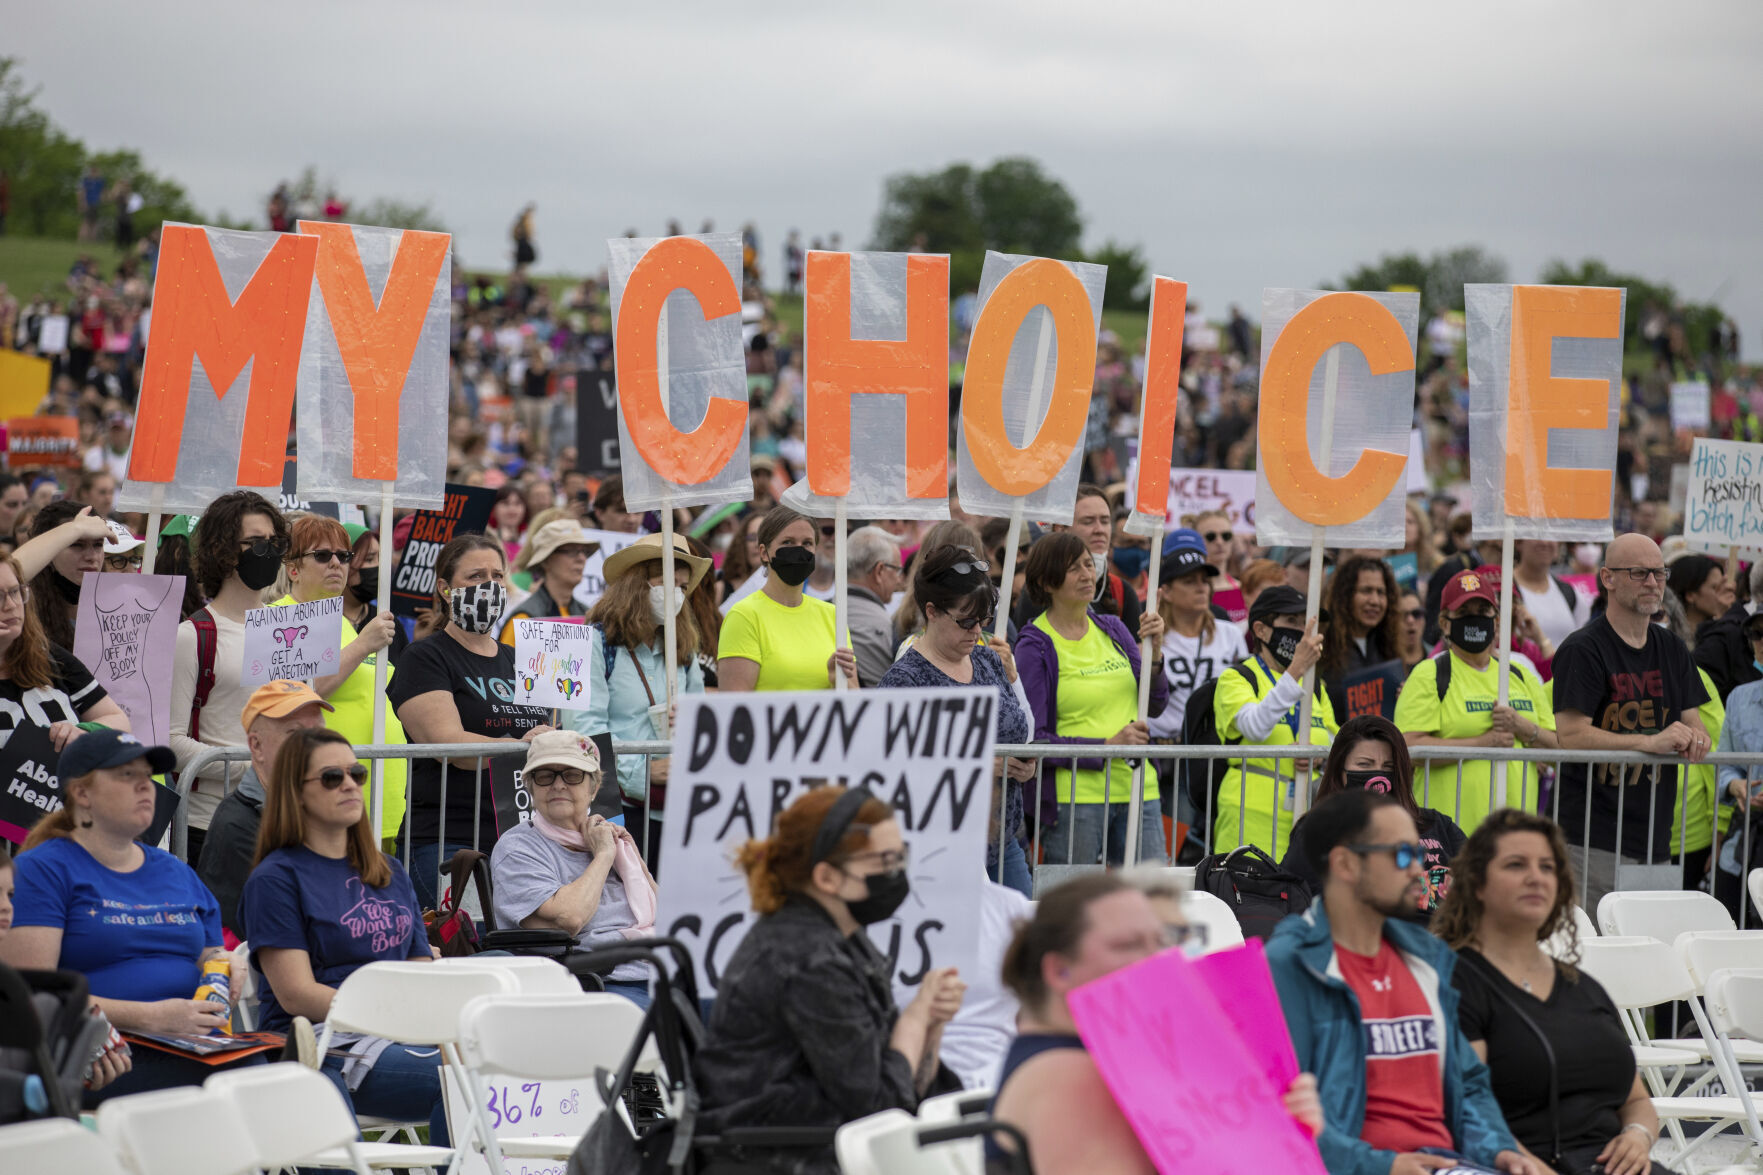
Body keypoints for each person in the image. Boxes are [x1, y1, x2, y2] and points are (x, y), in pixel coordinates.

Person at [1267, 789, 1542, 1175]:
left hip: (1451, 1166)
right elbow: (1279, 1115)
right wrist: (1385, 1166)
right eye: (1401, 855)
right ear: (1346, 864)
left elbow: (1469, 1083)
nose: (1419, 869)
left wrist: (1499, 1151)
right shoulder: (1291, 965)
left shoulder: (1426, 958)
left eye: (1418, 854)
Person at [693, 786, 964, 1175]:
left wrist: (932, 1023)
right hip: (774, 1160)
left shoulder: (839, 938)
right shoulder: (807, 959)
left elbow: (904, 1088)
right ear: (826, 877)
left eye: (900, 856)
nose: (896, 873)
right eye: (884, 861)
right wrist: (916, 1020)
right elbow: (881, 1110)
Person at [990, 872, 1323, 1173]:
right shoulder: (1070, 1075)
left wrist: (1275, 1127)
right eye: (1129, 945)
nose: (1159, 958)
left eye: (1162, 942)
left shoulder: (1100, 1059)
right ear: (1058, 971)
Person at [1, 730, 252, 1103]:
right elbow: (33, 994)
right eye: (126, 776)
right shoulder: (42, 870)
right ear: (82, 794)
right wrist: (152, 1017)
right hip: (105, 1054)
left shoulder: (174, 870)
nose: (145, 787)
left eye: (147, 776)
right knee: (250, 1084)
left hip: (199, 1044)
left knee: (278, 1079)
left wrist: (227, 964)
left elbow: (210, 955)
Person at [1433, 809, 1674, 1175]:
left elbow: (1637, 1101)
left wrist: (1638, 1137)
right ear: (1477, 884)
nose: (1535, 877)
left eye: (1547, 867)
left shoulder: (1584, 988)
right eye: (1516, 865)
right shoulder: (1457, 982)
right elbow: (1467, 1112)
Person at [239, 728, 448, 1142]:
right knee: (458, 1083)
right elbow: (296, 994)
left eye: (356, 773)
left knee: (490, 1075)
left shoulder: (387, 868)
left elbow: (419, 964)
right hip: (318, 1042)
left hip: (397, 1031)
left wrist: (411, 1015)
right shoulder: (276, 878)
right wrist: (388, 1012)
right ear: (295, 793)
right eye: (332, 777)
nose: (350, 784)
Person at [387, 534, 553, 911]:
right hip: (449, 840)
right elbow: (449, 746)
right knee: (470, 944)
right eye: (475, 576)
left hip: (522, 836)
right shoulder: (424, 658)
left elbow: (547, 730)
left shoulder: (522, 658)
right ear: (445, 589)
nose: (489, 587)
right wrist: (527, 747)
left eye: (497, 575)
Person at [1553, 534, 1710, 911]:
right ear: (1607, 578)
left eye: (1659, 573)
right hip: (1592, 837)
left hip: (1656, 837)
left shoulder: (1671, 647)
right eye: (1639, 573)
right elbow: (1570, 735)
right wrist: (1647, 741)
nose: (1653, 583)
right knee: (1592, 952)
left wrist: (1695, 740)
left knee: (1648, 947)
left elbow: (1695, 722)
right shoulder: (1583, 648)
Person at [877, 545, 1035, 895]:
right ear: (931, 611)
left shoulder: (988, 661)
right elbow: (890, 773)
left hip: (1004, 839)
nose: (977, 630)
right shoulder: (905, 681)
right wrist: (978, 766)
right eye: (966, 621)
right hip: (940, 848)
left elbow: (1019, 729)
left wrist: (1024, 764)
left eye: (983, 619)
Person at [1017, 531, 1167, 865]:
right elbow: (1036, 739)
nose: (1087, 574)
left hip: (1139, 789)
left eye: (1089, 564)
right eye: (1074, 568)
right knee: (1076, 910)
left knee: (1152, 905)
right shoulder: (1034, 645)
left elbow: (1155, 703)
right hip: (1075, 801)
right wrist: (1108, 745)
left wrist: (1156, 654)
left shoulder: (1113, 628)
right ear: (1046, 581)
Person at [571, 532, 709, 866]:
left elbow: (703, 719)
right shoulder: (594, 644)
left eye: (682, 586)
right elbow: (584, 731)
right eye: (666, 582)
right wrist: (645, 771)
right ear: (636, 585)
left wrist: (692, 725)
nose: (675, 594)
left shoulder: (684, 650)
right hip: (615, 813)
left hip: (677, 809)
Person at [489, 731, 657, 1006]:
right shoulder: (518, 847)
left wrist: (635, 862)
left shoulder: (614, 838)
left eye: (572, 775)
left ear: (593, 788)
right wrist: (603, 856)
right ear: (530, 788)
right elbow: (569, 919)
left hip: (662, 967)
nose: (558, 785)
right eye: (544, 776)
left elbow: (663, 913)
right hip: (601, 981)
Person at [169, 491, 291, 865]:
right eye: (254, 543)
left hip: (285, 821)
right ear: (223, 550)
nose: (267, 552)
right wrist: (252, 763)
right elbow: (170, 740)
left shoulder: (290, 628)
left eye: (274, 543)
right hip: (212, 824)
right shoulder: (192, 635)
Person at [1394, 566, 1558, 833]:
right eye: (1464, 614)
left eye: (1483, 613)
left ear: (1496, 621)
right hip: (1450, 842)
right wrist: (1483, 743)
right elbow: (1408, 747)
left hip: (1515, 838)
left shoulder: (1521, 675)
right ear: (1445, 623)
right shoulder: (1430, 673)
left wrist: (1522, 727)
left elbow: (1559, 749)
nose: (1475, 620)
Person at [275, 515, 407, 843]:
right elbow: (298, 694)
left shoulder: (342, 623)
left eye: (343, 556)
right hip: (327, 796)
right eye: (322, 556)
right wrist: (364, 645)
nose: (336, 563)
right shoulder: (280, 617)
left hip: (377, 796)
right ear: (293, 569)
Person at [1281, 716, 1466, 920]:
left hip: (1444, 944)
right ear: (1339, 771)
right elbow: (1299, 900)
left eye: (1388, 767)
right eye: (1364, 764)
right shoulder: (1318, 830)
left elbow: (1479, 881)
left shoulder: (1438, 824)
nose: (1378, 775)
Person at [196, 681, 332, 942]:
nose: (314, 746)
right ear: (256, 746)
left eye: (320, 733)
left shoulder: (330, 809)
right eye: (295, 734)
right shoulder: (238, 823)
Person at [1211, 584, 1335, 857]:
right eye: (1291, 621)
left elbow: (1333, 738)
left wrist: (1319, 756)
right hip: (1250, 813)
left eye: (1305, 623)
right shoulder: (1238, 677)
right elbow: (1255, 727)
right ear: (1261, 630)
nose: (1301, 631)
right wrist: (1296, 670)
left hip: (1305, 817)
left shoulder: (1314, 684)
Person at [1145, 528, 1248, 839]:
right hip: (1169, 761)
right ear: (1167, 591)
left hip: (1218, 756)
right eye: (1189, 582)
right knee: (1174, 847)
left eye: (1204, 581)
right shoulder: (1152, 638)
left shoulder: (1230, 634)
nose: (1201, 588)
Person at [0, 552, 129, 757]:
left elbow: (118, 720)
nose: (11, 605)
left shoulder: (47, 653)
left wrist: (82, 733)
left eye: (15, 592)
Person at [718, 506, 855, 692]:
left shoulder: (833, 615)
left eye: (807, 543)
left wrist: (836, 681)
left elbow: (856, 702)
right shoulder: (744, 616)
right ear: (764, 552)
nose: (799, 550)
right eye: (788, 542)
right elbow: (734, 708)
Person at [1318, 556, 1401, 721]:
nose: (1375, 601)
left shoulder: (1390, 649)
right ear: (1345, 595)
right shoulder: (1322, 650)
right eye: (1366, 591)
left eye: (1381, 592)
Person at [1056, 483, 1143, 633]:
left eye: (1105, 521)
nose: (1099, 530)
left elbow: (1136, 655)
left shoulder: (1122, 591)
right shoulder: (1042, 588)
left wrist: (1153, 651)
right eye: (1088, 521)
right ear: (1061, 528)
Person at [499, 518, 596, 644]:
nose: (582, 558)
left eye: (584, 551)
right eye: (571, 551)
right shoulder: (525, 619)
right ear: (546, 561)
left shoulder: (588, 615)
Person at [337, 522, 409, 666]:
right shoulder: (321, 621)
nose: (378, 567)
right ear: (341, 564)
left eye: (380, 559)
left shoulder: (390, 624)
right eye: (369, 559)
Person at [845, 526, 904, 687]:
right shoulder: (886, 626)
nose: (899, 580)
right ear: (879, 571)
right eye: (898, 570)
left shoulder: (824, 612)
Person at [1512, 540, 1589, 651]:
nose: (1545, 543)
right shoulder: (1503, 590)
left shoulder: (1570, 593)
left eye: (1550, 536)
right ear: (1519, 543)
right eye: (1537, 535)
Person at [489, 484, 529, 563]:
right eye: (505, 503)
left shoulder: (530, 538)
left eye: (517, 503)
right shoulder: (485, 539)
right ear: (494, 509)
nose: (512, 509)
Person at [1395, 589, 1427, 673]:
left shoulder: (1438, 657)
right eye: (1403, 615)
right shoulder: (1385, 665)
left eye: (1416, 614)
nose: (1410, 620)